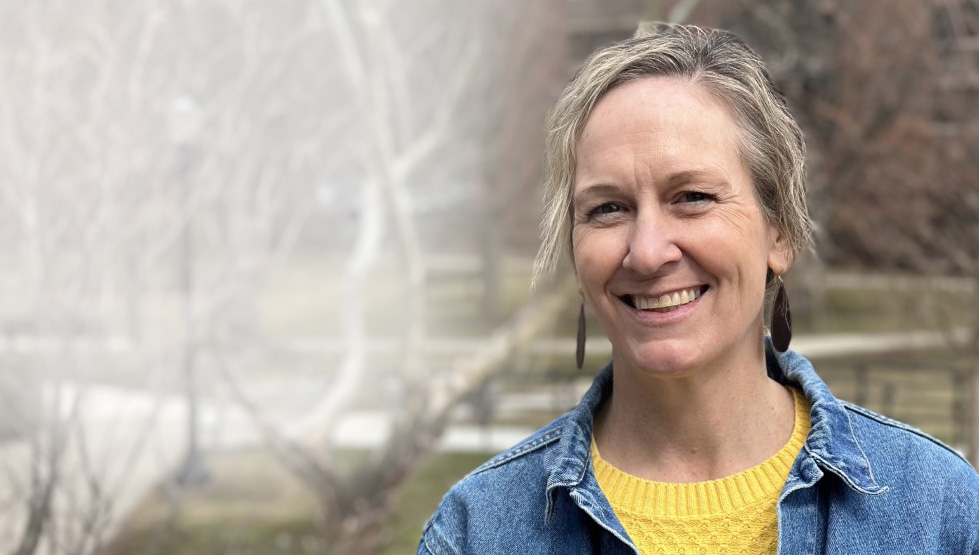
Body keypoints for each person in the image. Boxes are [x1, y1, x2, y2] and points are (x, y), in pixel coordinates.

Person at [418, 23, 979, 554]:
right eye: (607, 208)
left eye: (692, 197)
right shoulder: (478, 528)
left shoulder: (938, 511)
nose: (647, 251)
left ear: (779, 232)